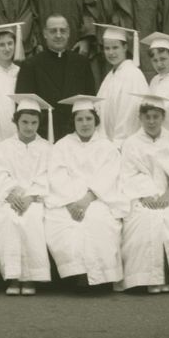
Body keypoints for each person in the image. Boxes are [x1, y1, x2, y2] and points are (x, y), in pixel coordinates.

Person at [118, 94, 169, 293]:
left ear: (163, 117)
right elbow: (128, 174)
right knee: (142, 224)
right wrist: (145, 195)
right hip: (141, 197)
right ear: (140, 118)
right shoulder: (131, 143)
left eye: (156, 116)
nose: (152, 121)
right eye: (147, 117)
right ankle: (146, 278)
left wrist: (168, 194)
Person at [46, 97, 126, 288]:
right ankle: (79, 275)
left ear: (95, 121)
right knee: (64, 224)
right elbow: (56, 176)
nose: (84, 124)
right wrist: (71, 202)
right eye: (79, 119)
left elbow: (109, 177)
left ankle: (100, 278)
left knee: (98, 220)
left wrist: (86, 200)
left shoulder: (107, 147)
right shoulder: (62, 145)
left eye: (88, 119)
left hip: (98, 199)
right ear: (73, 122)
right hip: (67, 201)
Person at [0, 95, 52, 295]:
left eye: (34, 122)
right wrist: (12, 193)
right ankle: (14, 277)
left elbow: (47, 176)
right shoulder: (3, 148)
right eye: (24, 122)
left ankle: (30, 277)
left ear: (39, 123)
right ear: (16, 121)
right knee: (8, 218)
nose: (29, 127)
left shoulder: (47, 148)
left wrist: (30, 196)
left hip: (35, 199)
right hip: (10, 198)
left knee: (32, 219)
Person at [14, 14, 95, 141]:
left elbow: (90, 103)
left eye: (62, 30)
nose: (58, 35)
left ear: (68, 33)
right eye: (53, 31)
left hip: (75, 137)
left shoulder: (82, 63)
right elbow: (23, 108)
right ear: (45, 34)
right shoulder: (30, 65)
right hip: (42, 137)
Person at [95, 24, 148, 147]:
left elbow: (129, 113)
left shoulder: (132, 74)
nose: (111, 52)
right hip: (108, 144)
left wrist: (118, 143)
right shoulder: (110, 76)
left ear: (125, 47)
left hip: (124, 145)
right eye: (107, 48)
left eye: (115, 47)